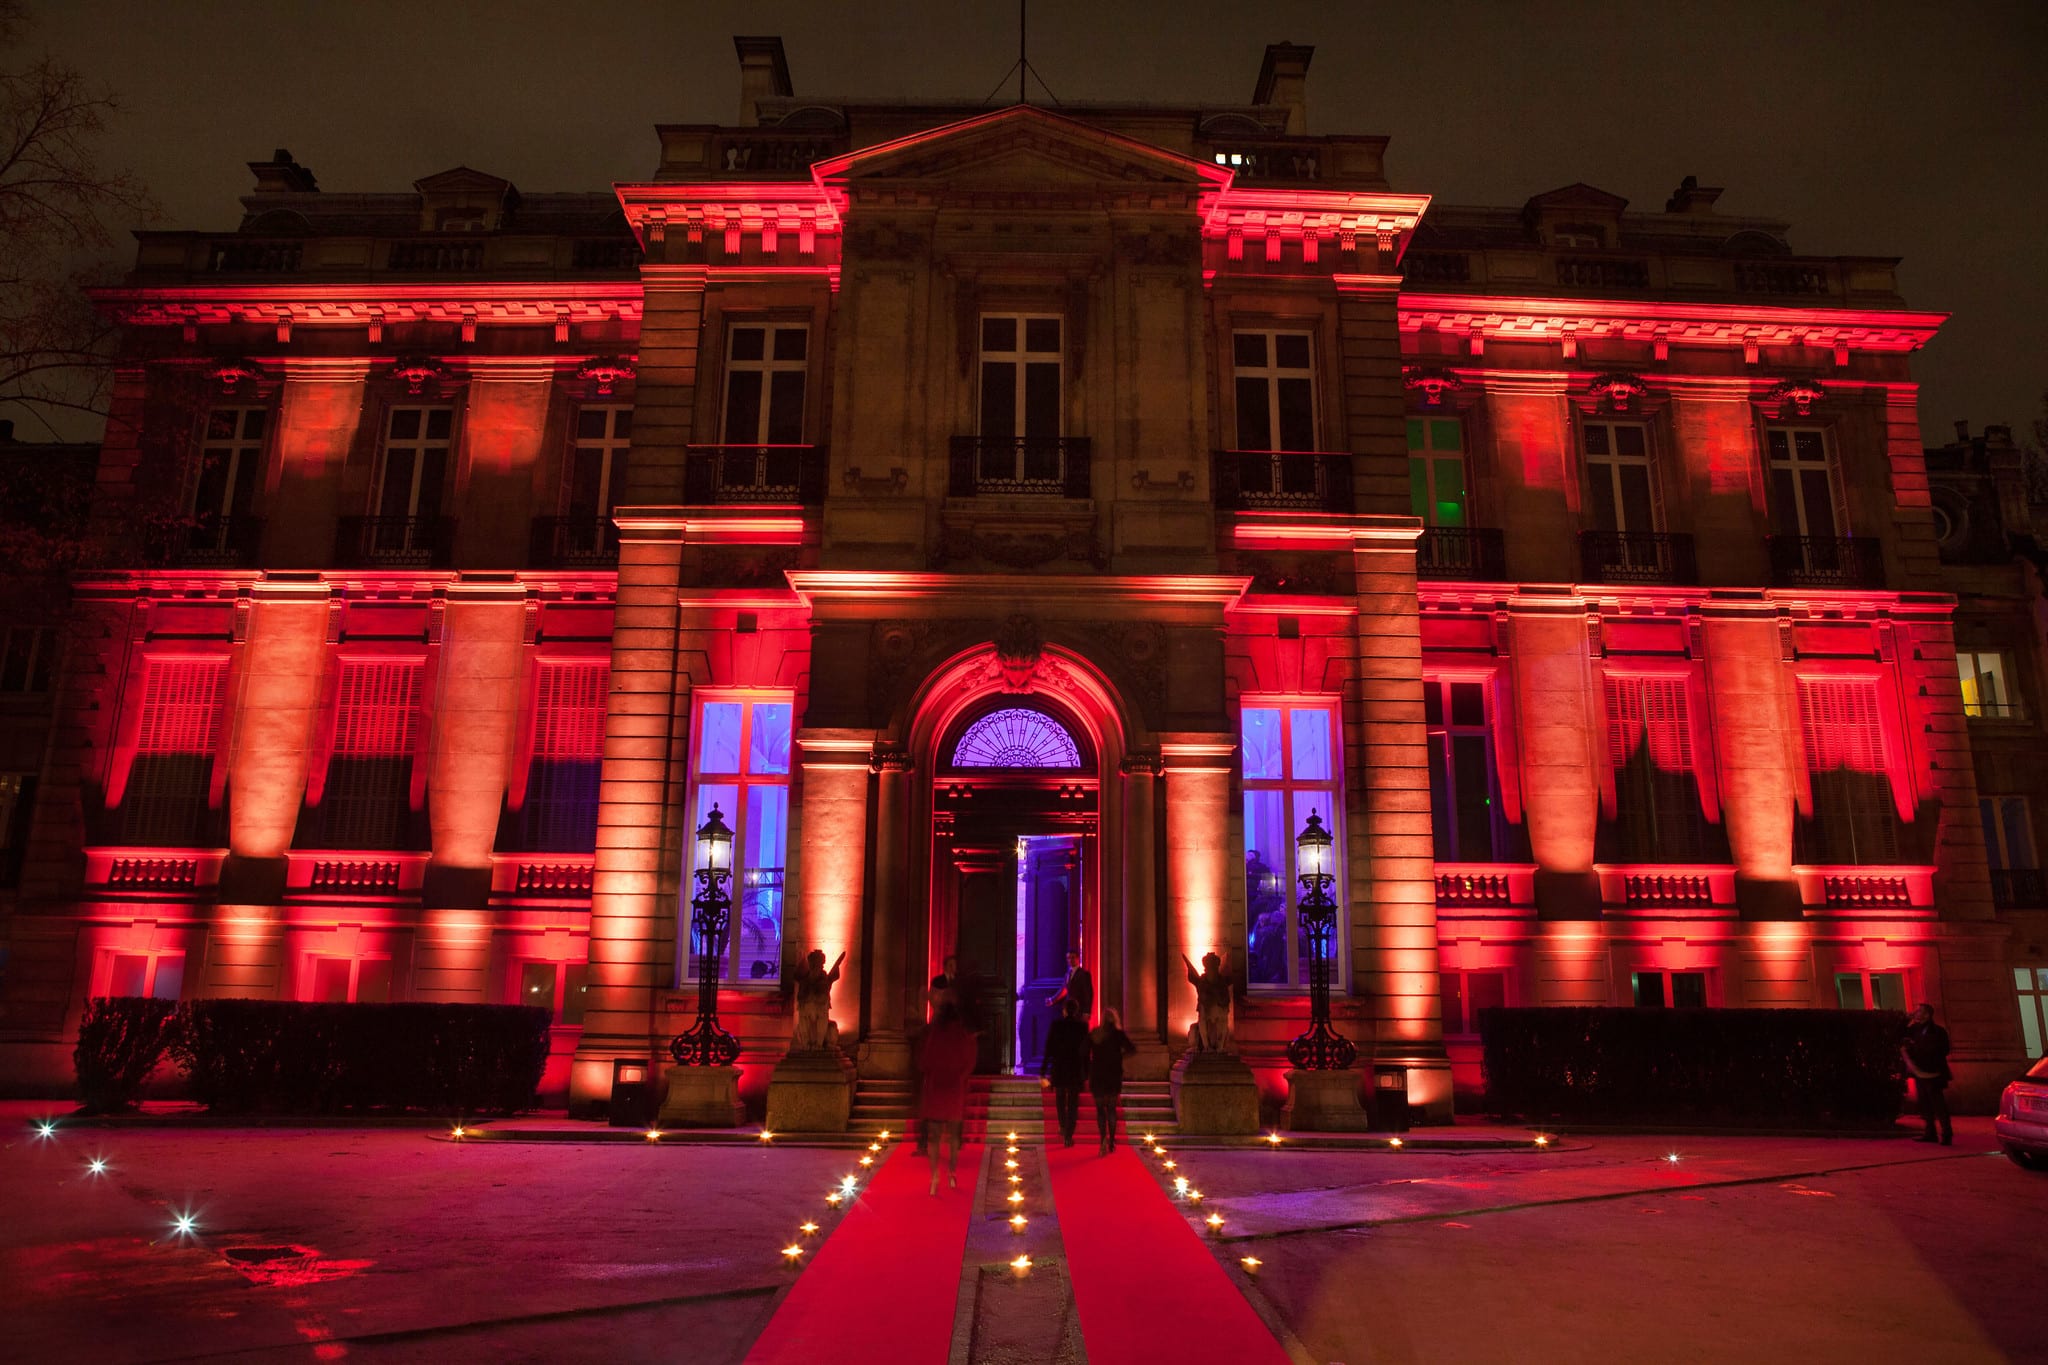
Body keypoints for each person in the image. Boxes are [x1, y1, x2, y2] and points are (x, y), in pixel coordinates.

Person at [919, 1001, 980, 1194]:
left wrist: (930, 1074)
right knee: (954, 1135)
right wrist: (962, 1076)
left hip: (937, 1086)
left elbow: (926, 1059)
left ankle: (934, 1177)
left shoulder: (935, 1033)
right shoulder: (960, 1034)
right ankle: (952, 1172)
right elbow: (968, 1060)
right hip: (954, 1086)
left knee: (934, 1137)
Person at [1040, 997, 1092, 1147]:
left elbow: (1049, 1048)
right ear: (1076, 1011)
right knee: (1074, 1102)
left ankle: (1063, 1125)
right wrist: (1087, 1072)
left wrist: (1043, 1070)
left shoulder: (1057, 1025)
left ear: (1064, 1010)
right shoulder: (1082, 1027)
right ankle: (1069, 1135)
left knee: (1060, 1098)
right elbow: (1085, 1051)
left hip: (1060, 1066)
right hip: (1075, 1067)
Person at [1087, 1007, 1138, 1155]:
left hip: (1097, 1073)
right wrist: (1119, 1056)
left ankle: (1103, 1138)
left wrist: (1092, 1059)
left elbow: (1083, 1050)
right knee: (1111, 1109)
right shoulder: (1118, 1035)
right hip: (1113, 1074)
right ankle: (1112, 1141)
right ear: (1115, 1019)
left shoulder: (1095, 1033)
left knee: (1100, 1109)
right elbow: (1132, 1049)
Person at [1902, 1003, 1953, 1146]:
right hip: (1920, 1072)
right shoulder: (1914, 1029)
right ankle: (1930, 1132)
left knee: (1938, 1104)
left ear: (1927, 1015)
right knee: (1925, 1103)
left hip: (1933, 1072)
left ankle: (1946, 1133)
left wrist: (1928, 1056)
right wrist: (1907, 1018)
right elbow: (1900, 1033)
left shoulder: (1938, 1031)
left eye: (1919, 1011)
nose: (1916, 1013)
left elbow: (1944, 1049)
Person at [1048, 949, 1094, 1023]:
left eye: (1073, 957)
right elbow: (1064, 989)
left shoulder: (1084, 974)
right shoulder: (1068, 974)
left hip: (1080, 1010)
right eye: (1068, 958)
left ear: (1078, 958)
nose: (1070, 960)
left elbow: (1088, 994)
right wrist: (1052, 1000)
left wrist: (1087, 1012)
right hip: (1069, 1010)